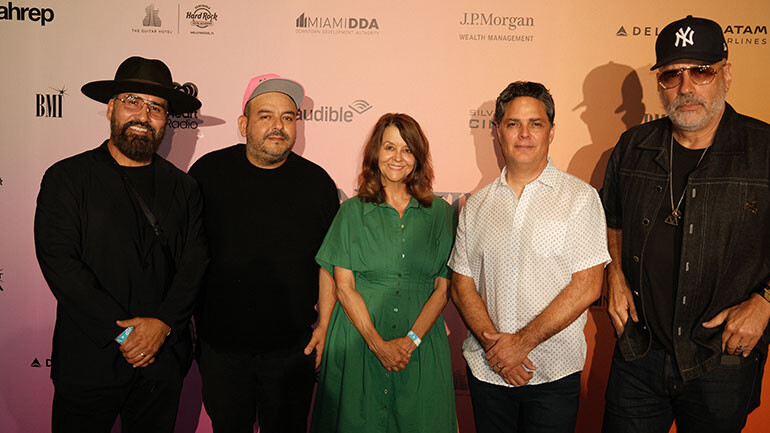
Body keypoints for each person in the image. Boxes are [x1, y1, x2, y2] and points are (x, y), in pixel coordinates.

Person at [601, 15, 770, 433]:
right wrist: (615, 273)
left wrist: (766, 301)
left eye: (702, 71)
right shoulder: (633, 146)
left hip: (722, 357)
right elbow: (612, 220)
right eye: (672, 75)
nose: (687, 87)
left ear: (726, 74)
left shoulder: (764, 149)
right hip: (639, 351)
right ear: (660, 84)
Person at [34, 56, 209, 433]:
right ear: (111, 108)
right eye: (132, 101)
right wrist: (127, 334)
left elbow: (194, 264)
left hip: (161, 360)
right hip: (89, 359)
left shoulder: (185, 187)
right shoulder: (67, 177)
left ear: (167, 120)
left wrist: (162, 325)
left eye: (156, 108)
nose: (143, 115)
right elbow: (61, 264)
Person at [449, 81, 610, 433]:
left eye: (535, 123)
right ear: (497, 132)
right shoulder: (475, 206)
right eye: (513, 124)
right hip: (487, 373)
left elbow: (588, 286)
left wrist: (520, 345)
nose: (524, 134)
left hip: (552, 375)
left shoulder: (579, 199)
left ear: (551, 131)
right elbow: (462, 284)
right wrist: (498, 352)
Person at [188, 74, 339, 433]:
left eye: (288, 117)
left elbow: (331, 263)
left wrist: (325, 326)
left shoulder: (317, 183)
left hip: (292, 351)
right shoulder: (207, 173)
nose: (278, 126)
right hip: (221, 349)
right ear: (244, 124)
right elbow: (186, 254)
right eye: (266, 116)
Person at [310, 113, 457, 432]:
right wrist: (378, 344)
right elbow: (344, 286)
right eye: (390, 147)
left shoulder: (442, 214)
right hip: (358, 339)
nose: (398, 157)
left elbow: (443, 289)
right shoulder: (351, 211)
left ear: (418, 157)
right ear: (376, 153)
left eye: (407, 150)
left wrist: (411, 340)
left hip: (421, 343)